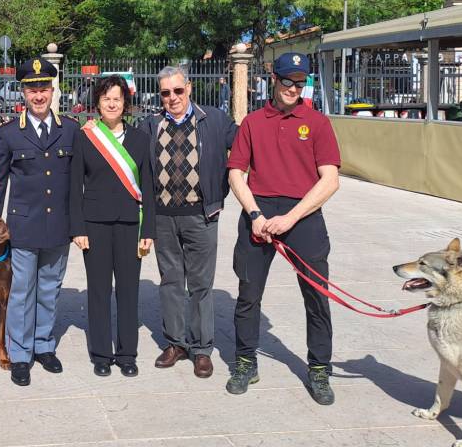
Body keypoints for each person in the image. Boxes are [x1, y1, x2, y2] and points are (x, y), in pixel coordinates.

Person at [226, 52, 341, 405]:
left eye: (300, 82)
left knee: (316, 298)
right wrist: (256, 214)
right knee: (248, 295)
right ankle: (246, 362)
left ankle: (319, 368)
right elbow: (235, 174)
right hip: (260, 211)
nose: (294, 88)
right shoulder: (253, 122)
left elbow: (331, 180)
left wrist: (291, 218)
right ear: (273, 79)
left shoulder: (318, 122)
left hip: (302, 214)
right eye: (288, 81)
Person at [136, 66, 238, 378]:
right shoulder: (149, 126)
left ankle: (202, 348)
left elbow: (247, 145)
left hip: (201, 216)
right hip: (165, 217)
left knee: (200, 285)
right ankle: (176, 344)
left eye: (178, 91)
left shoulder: (215, 120)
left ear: (189, 88)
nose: (172, 98)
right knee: (170, 283)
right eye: (165, 92)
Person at [0, 57, 79, 387]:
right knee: (23, 291)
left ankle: (43, 345)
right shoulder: (9, 134)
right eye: (32, 90)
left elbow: (77, 180)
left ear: (52, 91)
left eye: (44, 89)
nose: (38, 96)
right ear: (23, 93)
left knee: (50, 289)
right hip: (23, 226)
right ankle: (21, 353)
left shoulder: (70, 129)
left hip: (59, 226)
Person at [70, 74, 155, 377]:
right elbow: (74, 185)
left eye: (117, 98)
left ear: (126, 103)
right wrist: (77, 228)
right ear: (97, 103)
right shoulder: (84, 136)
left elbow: (148, 187)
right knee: (99, 290)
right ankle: (102, 353)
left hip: (131, 224)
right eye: (106, 98)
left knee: (129, 291)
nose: (111, 103)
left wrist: (148, 232)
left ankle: (127, 353)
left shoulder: (141, 139)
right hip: (94, 225)